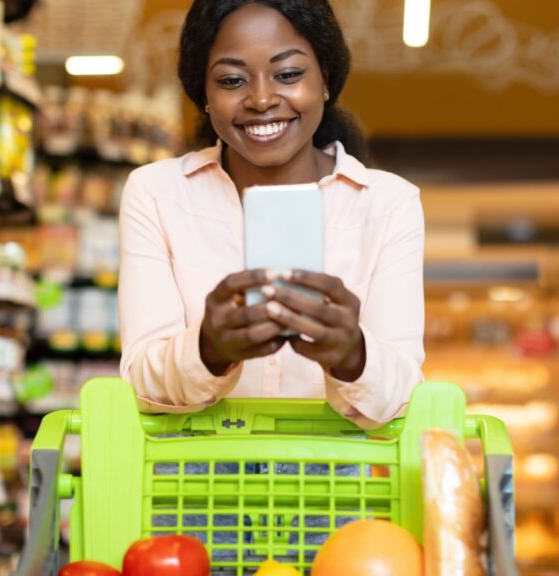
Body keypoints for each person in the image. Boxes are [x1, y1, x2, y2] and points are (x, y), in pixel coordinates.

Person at [118, 0, 425, 429]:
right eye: (231, 80)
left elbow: (405, 397)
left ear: (326, 81)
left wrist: (353, 355)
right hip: (195, 487)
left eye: (288, 75)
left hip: (336, 487)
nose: (262, 99)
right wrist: (208, 349)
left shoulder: (389, 203)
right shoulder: (157, 194)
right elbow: (140, 383)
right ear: (203, 96)